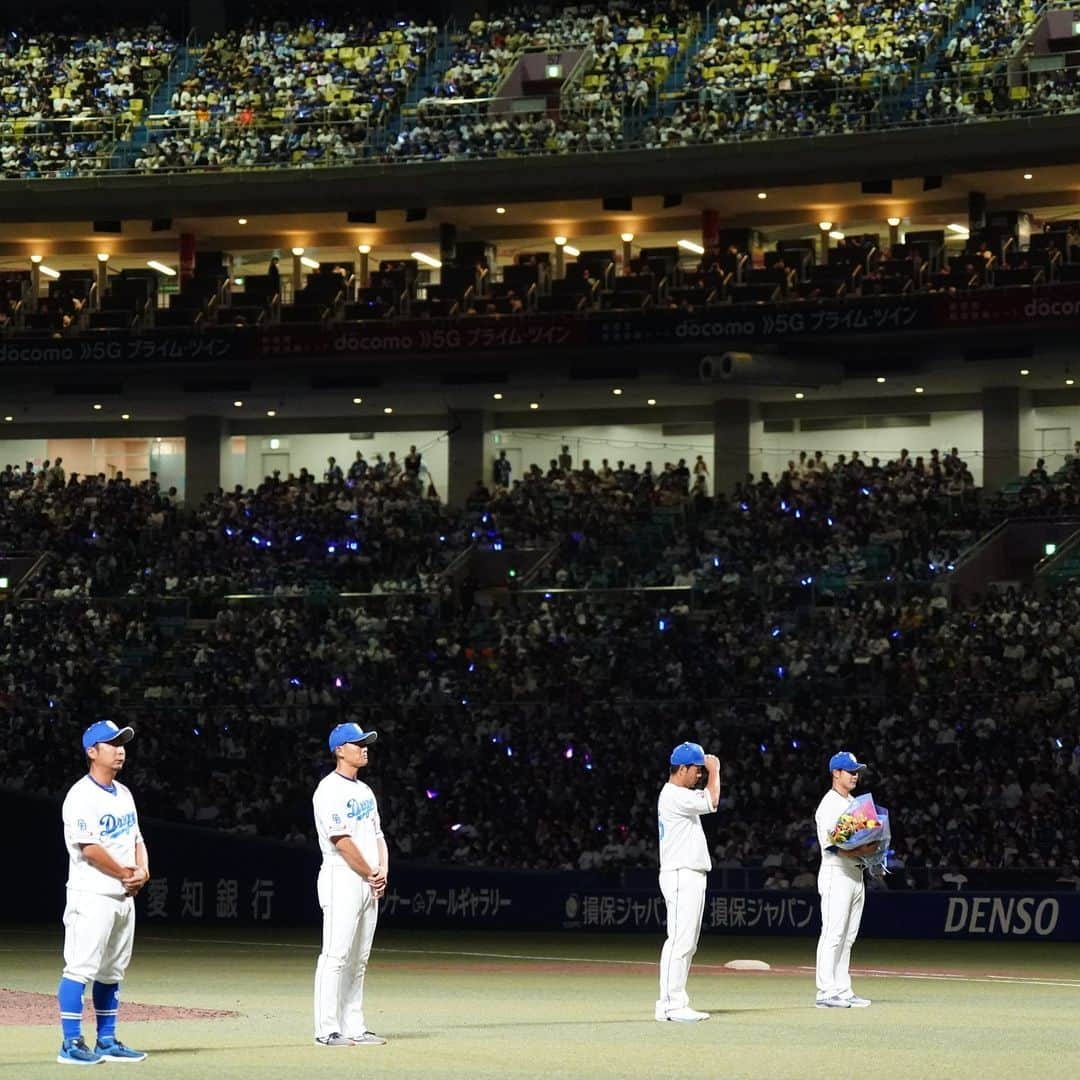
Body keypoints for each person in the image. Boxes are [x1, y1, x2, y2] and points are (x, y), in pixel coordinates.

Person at [56, 720, 150, 1065]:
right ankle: (70, 1043)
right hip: (91, 894)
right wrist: (128, 874)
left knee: (112, 972)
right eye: (111, 744)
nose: (120, 749)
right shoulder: (80, 795)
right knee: (80, 969)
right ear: (92, 752)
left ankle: (106, 1040)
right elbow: (90, 848)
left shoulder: (124, 793)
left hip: (124, 896)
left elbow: (137, 839)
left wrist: (143, 871)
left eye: (122, 743)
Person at [312, 722, 389, 1047]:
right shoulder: (328, 789)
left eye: (365, 742)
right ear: (339, 750)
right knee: (336, 955)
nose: (364, 747)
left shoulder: (365, 791)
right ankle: (326, 1029)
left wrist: (381, 870)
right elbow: (341, 840)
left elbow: (378, 836)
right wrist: (370, 872)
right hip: (340, 876)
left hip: (368, 879)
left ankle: (354, 1026)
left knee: (359, 957)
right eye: (357, 743)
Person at [655, 741, 720, 1023]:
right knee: (680, 941)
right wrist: (716, 770)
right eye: (697, 769)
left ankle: (673, 1001)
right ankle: (671, 1004)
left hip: (687, 873)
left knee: (686, 942)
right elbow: (712, 801)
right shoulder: (674, 795)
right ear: (681, 769)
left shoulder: (677, 794)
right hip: (681, 873)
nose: (701, 775)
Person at [814, 751, 876, 1009]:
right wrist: (862, 850)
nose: (855, 776)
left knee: (848, 937)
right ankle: (825, 992)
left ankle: (842, 989)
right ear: (835, 773)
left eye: (857, 771)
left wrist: (874, 852)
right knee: (833, 934)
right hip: (836, 872)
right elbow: (831, 845)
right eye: (850, 771)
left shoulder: (853, 802)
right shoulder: (829, 803)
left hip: (855, 873)